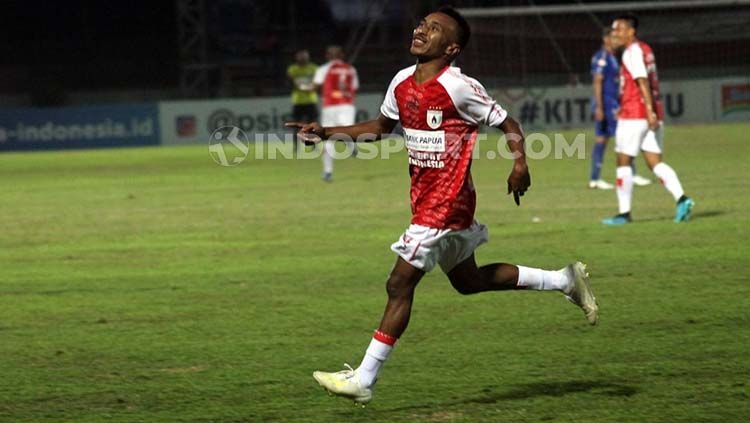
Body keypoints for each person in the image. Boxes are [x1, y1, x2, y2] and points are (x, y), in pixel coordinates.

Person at [286, 7, 598, 406]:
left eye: (434, 29)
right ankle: (563, 280)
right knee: (467, 283)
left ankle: (364, 378)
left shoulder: (460, 87)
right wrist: (327, 131)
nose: (421, 29)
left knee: (399, 284)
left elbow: (509, 124)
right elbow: (379, 130)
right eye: (421, 23)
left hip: (445, 205)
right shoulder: (401, 81)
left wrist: (520, 161)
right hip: (432, 204)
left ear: (451, 48)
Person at [603, 14, 694, 225]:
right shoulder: (645, 49)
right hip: (649, 113)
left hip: (636, 114)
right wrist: (652, 112)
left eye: (619, 29)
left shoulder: (632, 52)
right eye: (614, 29)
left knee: (623, 161)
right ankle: (682, 199)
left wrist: (648, 110)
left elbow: (642, 81)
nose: (615, 33)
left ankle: (624, 213)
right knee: (655, 163)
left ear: (631, 31)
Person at [589, 28, 652, 190]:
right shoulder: (602, 58)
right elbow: (597, 82)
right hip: (608, 105)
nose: (617, 40)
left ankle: (595, 179)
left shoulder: (612, 57)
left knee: (604, 139)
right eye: (614, 37)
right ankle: (631, 174)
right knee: (624, 139)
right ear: (606, 39)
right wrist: (600, 107)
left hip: (611, 103)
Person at [313, 45, 359, 182]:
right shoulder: (351, 69)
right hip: (346, 105)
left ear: (327, 56)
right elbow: (354, 88)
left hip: (330, 106)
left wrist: (320, 92)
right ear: (342, 55)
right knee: (347, 131)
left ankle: (327, 172)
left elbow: (316, 85)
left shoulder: (323, 69)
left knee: (328, 138)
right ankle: (352, 146)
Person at [287, 50, 318, 154]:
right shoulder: (293, 69)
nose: (303, 59)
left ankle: (314, 146)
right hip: (298, 101)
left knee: (313, 126)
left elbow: (316, 83)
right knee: (296, 126)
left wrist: (307, 87)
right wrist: (306, 87)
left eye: (304, 57)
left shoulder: (314, 68)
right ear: (297, 58)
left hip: (311, 100)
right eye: (300, 57)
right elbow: (294, 82)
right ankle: (296, 147)